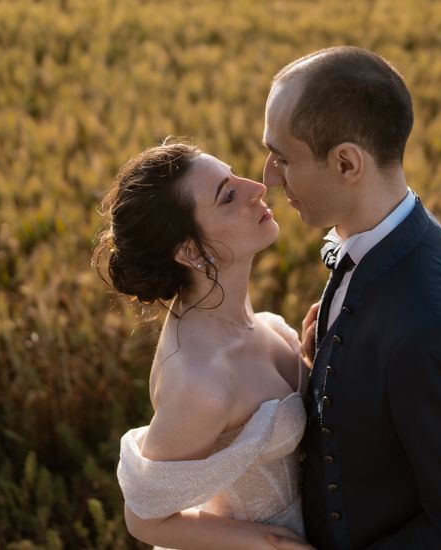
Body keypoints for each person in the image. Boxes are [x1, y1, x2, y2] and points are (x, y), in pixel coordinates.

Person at [261, 46, 441, 549]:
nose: (269, 176)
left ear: (347, 162)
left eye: (283, 158)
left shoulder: (429, 329)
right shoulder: (383, 233)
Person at [95, 140, 311, 549]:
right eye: (228, 195)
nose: (258, 188)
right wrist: (269, 545)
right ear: (192, 251)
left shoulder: (225, 310)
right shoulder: (202, 381)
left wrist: (312, 359)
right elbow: (145, 518)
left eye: (235, 176)